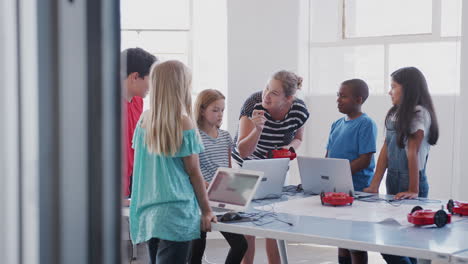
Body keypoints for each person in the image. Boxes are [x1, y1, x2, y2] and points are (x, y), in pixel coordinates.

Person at [129, 60, 216, 264]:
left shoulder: (144, 120)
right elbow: (194, 173)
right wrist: (207, 210)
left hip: (149, 211)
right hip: (176, 212)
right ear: (181, 86)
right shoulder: (183, 122)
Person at [232, 70, 310, 264]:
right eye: (267, 87)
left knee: (273, 223)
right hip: (246, 164)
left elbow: (298, 138)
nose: (266, 94)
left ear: (289, 98)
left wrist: (289, 148)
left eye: (274, 92)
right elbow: (242, 150)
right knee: (247, 224)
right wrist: (258, 128)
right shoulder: (254, 103)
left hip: (275, 166)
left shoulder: (299, 109)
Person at [363, 67, 439, 264]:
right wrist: (374, 184)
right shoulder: (395, 113)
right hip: (393, 179)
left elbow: (412, 151)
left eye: (393, 87)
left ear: (409, 89)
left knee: (411, 243)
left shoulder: (419, 112)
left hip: (412, 180)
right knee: (393, 242)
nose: (390, 91)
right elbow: (386, 149)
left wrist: (413, 189)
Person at [189, 89, 248, 264]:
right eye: (215, 110)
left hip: (222, 198)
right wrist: (209, 187)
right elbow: (192, 171)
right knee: (196, 252)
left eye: (222, 109)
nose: (220, 114)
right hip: (200, 199)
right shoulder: (194, 136)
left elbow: (227, 168)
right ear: (201, 110)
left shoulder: (225, 136)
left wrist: (234, 189)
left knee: (240, 245)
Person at [326, 79, 377, 264]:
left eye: (343, 96)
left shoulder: (366, 123)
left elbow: (365, 160)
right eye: (338, 95)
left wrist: (338, 172)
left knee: (355, 242)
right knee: (342, 238)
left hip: (358, 190)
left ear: (359, 99)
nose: (338, 99)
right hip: (337, 190)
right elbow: (328, 156)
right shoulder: (336, 124)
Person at [121, 47, 157, 198]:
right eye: (151, 79)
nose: (153, 85)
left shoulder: (137, 102)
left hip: (130, 183)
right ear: (135, 77)